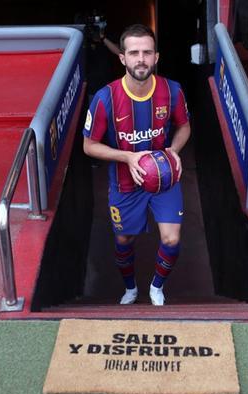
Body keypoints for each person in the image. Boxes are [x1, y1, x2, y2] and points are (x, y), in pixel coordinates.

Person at [82, 24, 191, 306]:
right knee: (124, 241)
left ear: (156, 57)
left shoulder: (173, 91)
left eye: (146, 52)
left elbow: (184, 127)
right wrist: (128, 157)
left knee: (170, 239)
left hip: (164, 178)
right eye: (134, 53)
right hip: (125, 183)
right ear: (123, 58)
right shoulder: (105, 98)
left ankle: (156, 287)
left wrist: (173, 150)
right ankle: (130, 288)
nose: (140, 59)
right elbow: (89, 145)